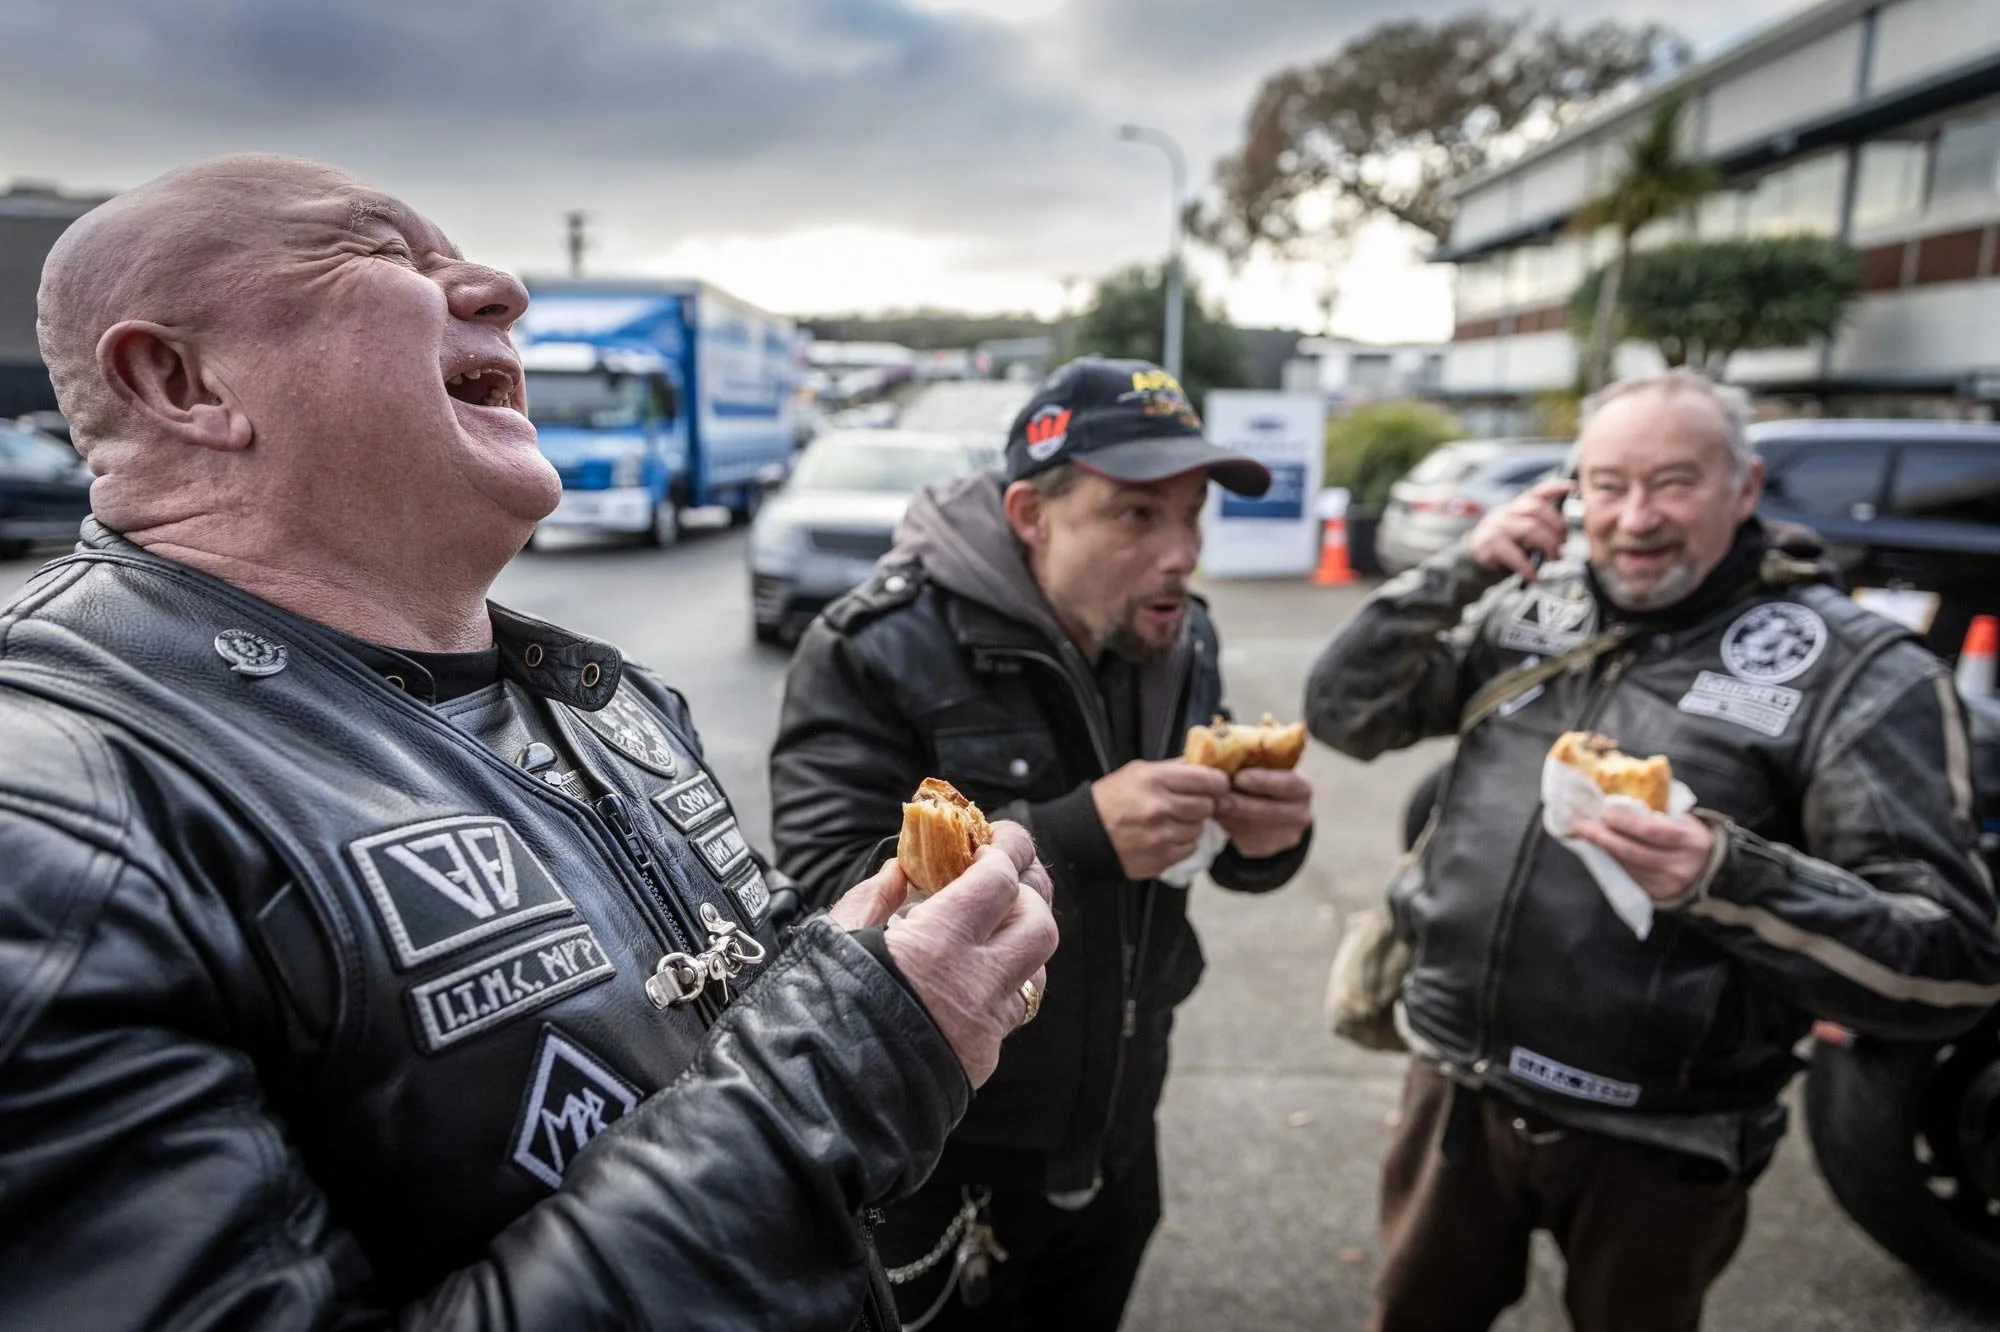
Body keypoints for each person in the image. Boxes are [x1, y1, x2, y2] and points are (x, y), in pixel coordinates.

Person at [0, 154, 1059, 1331]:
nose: (502, 288)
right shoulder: (51, 813)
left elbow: (729, 1020)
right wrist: (862, 1060)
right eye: (391, 254)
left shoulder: (609, 700)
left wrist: (864, 968)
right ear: (181, 381)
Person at [1305, 370, 2000, 1332]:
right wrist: (1457, 569)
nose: (1635, 518)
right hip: (1459, 1093)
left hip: (1659, 1138)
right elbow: (1344, 715)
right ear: (1570, 490)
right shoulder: (1527, 607)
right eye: (1607, 484)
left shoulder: (1858, 673)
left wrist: (1725, 876)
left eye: (1674, 482)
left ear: (1745, 489)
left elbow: (1955, 967)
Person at [770, 356, 1315, 1330]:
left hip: (1120, 1123)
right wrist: (1074, 838)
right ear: (1031, 514)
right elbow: (819, 900)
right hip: (949, 1155)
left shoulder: (1181, 637)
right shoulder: (872, 646)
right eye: (1136, 516)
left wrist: (1263, 844)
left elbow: (1188, 844)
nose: (1179, 553)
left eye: (1191, 515)